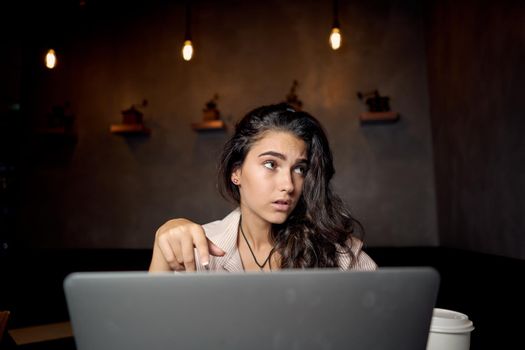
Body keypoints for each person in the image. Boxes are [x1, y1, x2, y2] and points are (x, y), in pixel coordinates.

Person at [149, 103, 376, 272]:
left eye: (299, 169)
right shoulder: (197, 248)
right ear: (236, 172)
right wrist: (162, 245)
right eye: (271, 164)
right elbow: (152, 328)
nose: (288, 185)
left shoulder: (335, 252)